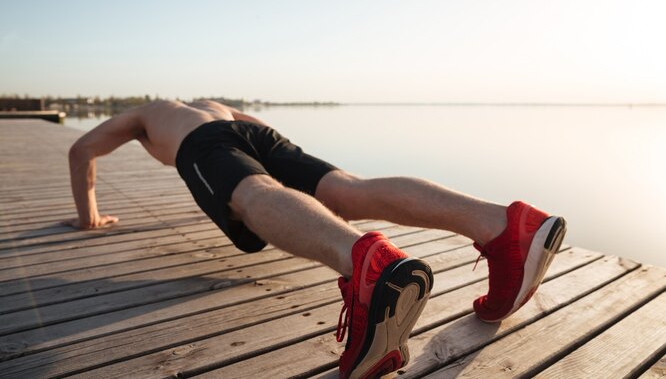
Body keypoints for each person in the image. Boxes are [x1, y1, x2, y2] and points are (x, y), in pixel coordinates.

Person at [66, 99, 567, 378]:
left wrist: (88, 216)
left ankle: (366, 265)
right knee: (350, 190)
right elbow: (265, 137)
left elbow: (82, 148)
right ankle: (503, 226)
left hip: (206, 146)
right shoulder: (214, 104)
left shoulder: (147, 113)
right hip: (257, 134)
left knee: (250, 195)